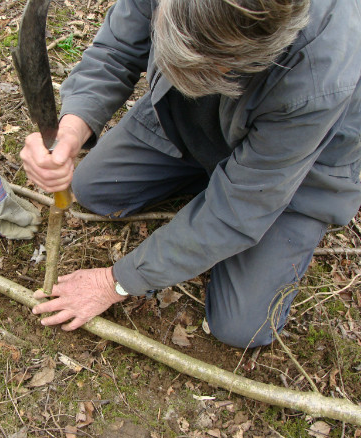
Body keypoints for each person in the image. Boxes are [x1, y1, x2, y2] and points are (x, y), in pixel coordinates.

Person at [21, 0, 361, 348]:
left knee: (242, 326)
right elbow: (116, 51)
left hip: (294, 168)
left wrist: (116, 282)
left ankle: (232, 187)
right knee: (93, 189)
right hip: (192, 113)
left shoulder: (316, 76)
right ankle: (213, 176)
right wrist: (72, 130)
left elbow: (238, 211)